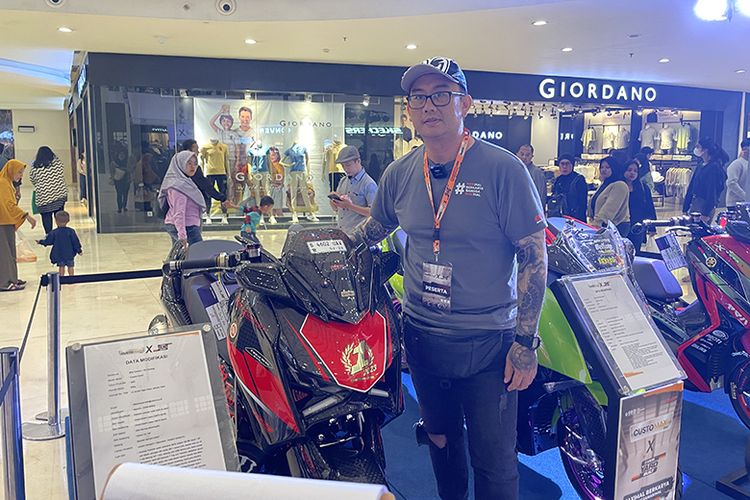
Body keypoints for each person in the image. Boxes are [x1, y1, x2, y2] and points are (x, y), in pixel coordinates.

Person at [356, 57, 547, 500]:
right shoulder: (400, 173)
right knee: (440, 440)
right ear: (409, 110)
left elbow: (534, 257)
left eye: (441, 95)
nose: (429, 106)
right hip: (423, 337)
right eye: (418, 97)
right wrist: (324, 248)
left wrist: (525, 343)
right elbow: (372, 230)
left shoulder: (503, 169)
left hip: (489, 342)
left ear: (466, 104)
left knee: (494, 460)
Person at [0, 160, 36, 291]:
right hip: (3, 222)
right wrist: (27, 216)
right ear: (11, 170)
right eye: (19, 172)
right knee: (4, 254)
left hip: (6, 221)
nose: (21, 176)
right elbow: (8, 205)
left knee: (10, 253)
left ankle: (12, 278)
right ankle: (5, 282)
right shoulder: (3, 183)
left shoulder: (7, 182)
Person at [158, 151, 206, 245]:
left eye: (195, 163)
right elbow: (179, 212)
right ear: (180, 164)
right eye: (189, 163)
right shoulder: (179, 187)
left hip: (185, 226)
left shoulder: (185, 182)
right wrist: (182, 236)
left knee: (181, 253)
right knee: (198, 253)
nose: (193, 167)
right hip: (186, 227)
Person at [330, 145, 378, 233]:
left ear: (358, 161)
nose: (345, 169)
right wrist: (334, 202)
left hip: (358, 235)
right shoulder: (343, 181)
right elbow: (337, 209)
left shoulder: (369, 184)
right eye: (343, 166)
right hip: (342, 231)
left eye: (348, 165)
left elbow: (373, 213)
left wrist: (349, 206)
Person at [684, 137, 729, 222]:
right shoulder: (701, 165)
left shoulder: (714, 167)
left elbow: (712, 191)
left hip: (704, 205)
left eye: (698, 147)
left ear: (705, 150)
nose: (696, 149)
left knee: (700, 228)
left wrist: (706, 213)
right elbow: (692, 186)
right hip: (695, 202)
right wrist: (686, 206)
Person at [29, 146, 68, 234]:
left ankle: (49, 234)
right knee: (59, 216)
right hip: (59, 194)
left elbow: (32, 179)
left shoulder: (35, 167)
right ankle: (61, 233)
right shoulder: (58, 164)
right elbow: (61, 172)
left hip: (44, 197)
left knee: (46, 217)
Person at [589, 156, 630, 236]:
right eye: (602, 167)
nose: (604, 170)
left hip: (616, 227)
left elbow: (610, 208)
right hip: (602, 226)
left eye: (607, 167)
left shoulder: (620, 185)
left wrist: (597, 223)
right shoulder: (604, 184)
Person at [37, 210, 82, 277]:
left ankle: (61, 278)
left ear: (56, 221)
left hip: (59, 253)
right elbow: (75, 242)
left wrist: (41, 242)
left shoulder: (54, 232)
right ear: (68, 220)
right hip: (70, 253)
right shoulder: (71, 231)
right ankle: (72, 277)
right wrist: (79, 250)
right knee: (71, 266)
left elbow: (48, 241)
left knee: (61, 267)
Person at [624, 159, 656, 253]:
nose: (632, 173)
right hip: (622, 224)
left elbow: (649, 207)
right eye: (629, 170)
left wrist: (652, 227)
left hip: (637, 226)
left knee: (635, 252)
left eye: (635, 171)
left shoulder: (643, 187)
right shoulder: (618, 186)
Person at [549, 154, 587, 221]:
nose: (564, 166)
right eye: (562, 164)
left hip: (575, 219)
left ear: (572, 165)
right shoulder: (558, 180)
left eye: (567, 164)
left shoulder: (579, 180)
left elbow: (583, 204)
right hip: (559, 218)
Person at [726, 139, 750, 206]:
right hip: (735, 204)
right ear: (745, 149)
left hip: (746, 203)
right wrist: (746, 196)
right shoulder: (737, 164)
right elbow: (731, 183)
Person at [110, 146, 131, 214]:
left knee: (125, 194)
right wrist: (112, 179)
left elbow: (129, 170)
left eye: (123, 154)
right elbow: (112, 172)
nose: (122, 156)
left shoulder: (127, 162)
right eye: (120, 154)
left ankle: (124, 206)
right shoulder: (114, 163)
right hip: (118, 180)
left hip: (126, 180)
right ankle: (119, 207)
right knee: (119, 194)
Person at [268, 147, 285, 223]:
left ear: (278, 155)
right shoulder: (267, 166)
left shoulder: (280, 166)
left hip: (277, 188)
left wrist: (279, 183)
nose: (272, 157)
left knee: (278, 209)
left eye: (274, 155)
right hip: (270, 187)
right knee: (271, 208)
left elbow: (281, 178)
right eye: (270, 155)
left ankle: (281, 223)